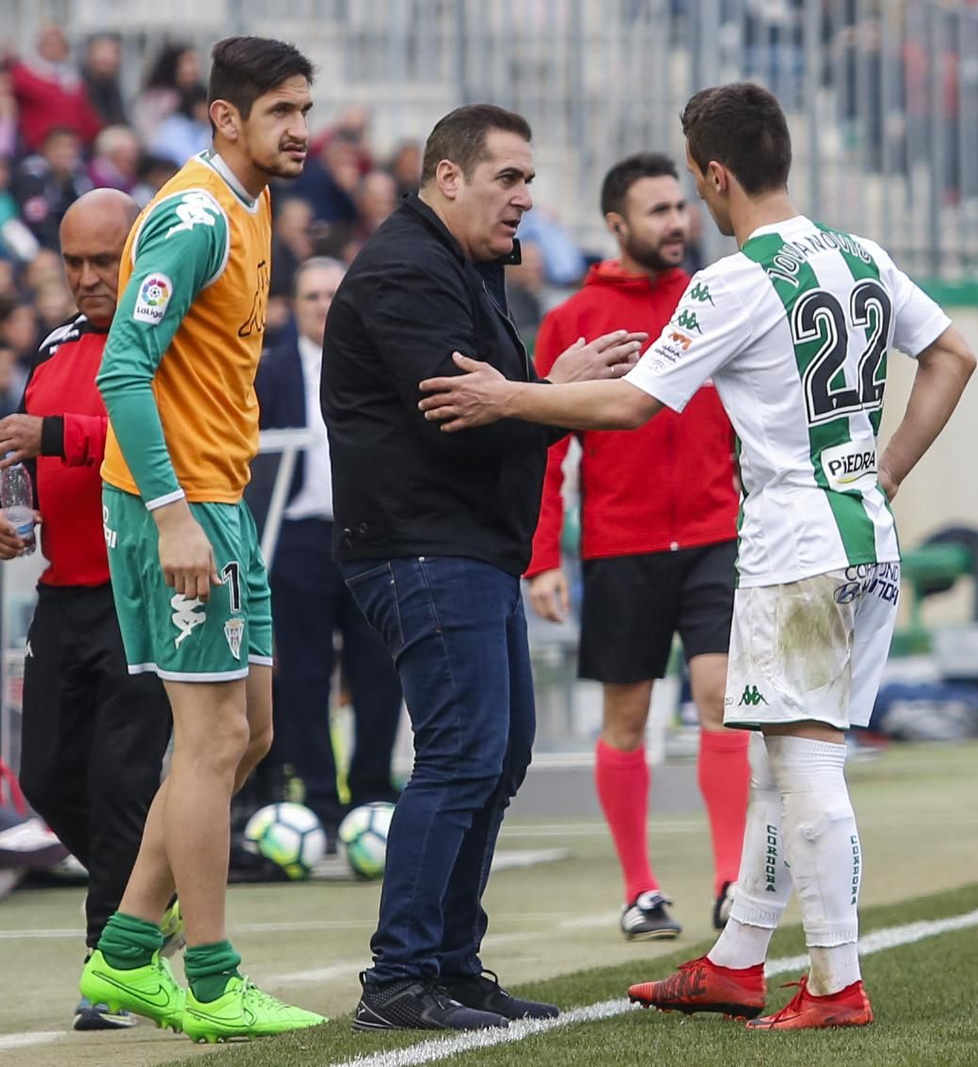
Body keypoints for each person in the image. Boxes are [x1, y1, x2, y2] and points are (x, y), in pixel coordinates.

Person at [418, 83, 977, 1031]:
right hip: (861, 534)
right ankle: (736, 958)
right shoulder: (860, 254)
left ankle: (838, 979)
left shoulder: (735, 280)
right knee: (775, 755)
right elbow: (953, 356)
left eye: (696, 182)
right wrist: (882, 473)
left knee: (804, 762)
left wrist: (511, 399)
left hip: (793, 543)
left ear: (716, 175)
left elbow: (632, 403)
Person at [321, 104, 644, 1032]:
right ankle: (398, 974)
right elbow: (461, 416)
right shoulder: (406, 271)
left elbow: (499, 402)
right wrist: (550, 390)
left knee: (495, 757)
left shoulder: (455, 265)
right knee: (463, 752)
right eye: (509, 178)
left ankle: (451, 965)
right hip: (421, 545)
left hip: (463, 545)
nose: (525, 199)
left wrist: (538, 384)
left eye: (529, 180)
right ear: (449, 176)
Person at [76, 37, 327, 1043]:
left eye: (305, 108)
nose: (301, 128)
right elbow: (121, 370)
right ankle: (212, 978)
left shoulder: (252, 205)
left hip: (221, 498)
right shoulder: (191, 217)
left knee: (248, 731)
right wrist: (173, 511)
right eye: (281, 111)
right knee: (212, 738)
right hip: (173, 505)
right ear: (226, 118)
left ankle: (127, 951)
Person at [525, 152, 747, 941]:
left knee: (722, 698)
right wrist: (543, 555)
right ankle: (641, 889)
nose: (677, 223)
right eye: (656, 212)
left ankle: (731, 880)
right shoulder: (571, 319)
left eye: (679, 208)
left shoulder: (713, 300)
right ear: (616, 225)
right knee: (628, 714)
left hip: (718, 536)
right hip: (622, 547)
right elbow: (550, 450)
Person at [0, 189, 179, 1032]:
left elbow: (157, 433)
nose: (91, 278)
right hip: (63, 589)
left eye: (105, 260)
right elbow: (27, 457)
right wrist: (10, 512)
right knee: (47, 774)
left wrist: (50, 434)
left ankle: (114, 966)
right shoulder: (54, 345)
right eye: (76, 263)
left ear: (137, 251)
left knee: (121, 778)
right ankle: (154, 898)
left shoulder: (169, 333)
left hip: (144, 587)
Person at [254, 256, 403, 834]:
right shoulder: (270, 373)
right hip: (297, 538)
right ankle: (317, 793)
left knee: (379, 667)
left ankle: (371, 789)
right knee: (304, 673)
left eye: (332, 294)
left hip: (368, 532)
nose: (323, 305)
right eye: (312, 296)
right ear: (295, 305)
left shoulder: (379, 362)